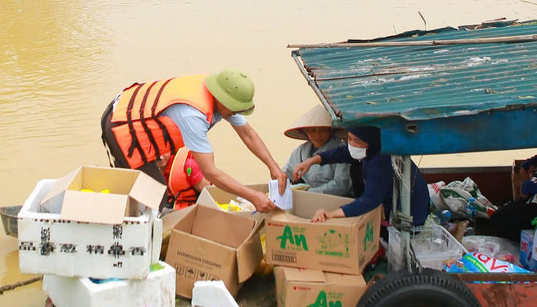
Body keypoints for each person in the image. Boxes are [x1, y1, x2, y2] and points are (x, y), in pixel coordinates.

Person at [101, 70, 287, 212]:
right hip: (121, 125)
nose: (236, 113)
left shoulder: (221, 98)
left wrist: (274, 167)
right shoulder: (192, 115)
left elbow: (247, 133)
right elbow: (210, 171)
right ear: (221, 98)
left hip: (141, 116)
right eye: (235, 108)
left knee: (155, 192)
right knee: (154, 195)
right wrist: (253, 197)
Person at [292, 125, 429, 226]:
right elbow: (342, 153)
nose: (352, 145)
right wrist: (311, 161)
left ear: (371, 142)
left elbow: (369, 200)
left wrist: (331, 213)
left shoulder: (380, 162)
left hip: (411, 213)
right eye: (349, 139)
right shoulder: (368, 151)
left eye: (357, 141)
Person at [281, 106, 353, 197]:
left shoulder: (340, 150)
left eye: (323, 130)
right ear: (305, 131)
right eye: (312, 130)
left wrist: (310, 193)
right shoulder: (299, 151)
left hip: (334, 201)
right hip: (305, 199)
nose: (317, 135)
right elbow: (286, 173)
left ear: (331, 131)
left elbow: (342, 184)